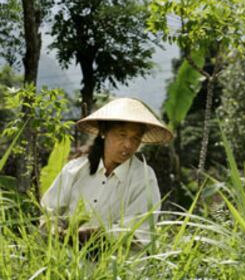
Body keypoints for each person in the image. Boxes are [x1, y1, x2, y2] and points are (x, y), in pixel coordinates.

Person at [41, 97, 172, 244]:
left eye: (135, 138)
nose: (128, 145)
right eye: (122, 135)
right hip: (67, 261)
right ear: (104, 132)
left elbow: (137, 233)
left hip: (116, 264)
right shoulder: (75, 169)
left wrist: (85, 236)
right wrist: (55, 231)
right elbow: (48, 213)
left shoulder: (143, 177)